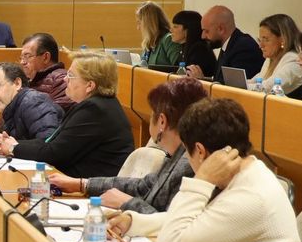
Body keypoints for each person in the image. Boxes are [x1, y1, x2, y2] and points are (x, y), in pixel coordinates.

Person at [110, 99, 302, 242]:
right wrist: (134, 222)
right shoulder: (243, 174)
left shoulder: (251, 195)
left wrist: (202, 179)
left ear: (200, 151)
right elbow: (198, 221)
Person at [57, 75, 208, 214]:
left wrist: (126, 202)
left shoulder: (190, 162)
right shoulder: (178, 154)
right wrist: (83, 184)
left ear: (162, 121)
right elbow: (142, 186)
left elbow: (169, 222)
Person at [0, 53, 132, 178]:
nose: (64, 79)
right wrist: (12, 143)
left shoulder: (95, 110)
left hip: (92, 194)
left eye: (71, 75)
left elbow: (54, 153)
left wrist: (14, 148)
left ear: (90, 85)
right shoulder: (96, 105)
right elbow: (50, 142)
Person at [0, 61, 60, 141]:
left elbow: (46, 143)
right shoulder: (12, 108)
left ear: (17, 83)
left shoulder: (34, 102)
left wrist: (13, 147)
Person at [191, 4, 262, 80]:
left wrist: (201, 81)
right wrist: (202, 79)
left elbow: (235, 86)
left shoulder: (244, 47)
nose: (203, 36)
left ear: (221, 29)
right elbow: (220, 81)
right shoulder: (229, 44)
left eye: (206, 31)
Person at [249, 13, 302, 94]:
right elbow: (256, 81)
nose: (260, 45)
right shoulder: (271, 58)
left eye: (266, 39)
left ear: (283, 40)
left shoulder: (294, 60)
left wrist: (240, 86)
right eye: (260, 40)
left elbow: (266, 87)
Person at [18, 32, 70, 112]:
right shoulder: (28, 81)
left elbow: (54, 117)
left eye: (27, 56)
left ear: (45, 57)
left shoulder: (61, 79)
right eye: (22, 57)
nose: (22, 62)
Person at [170, 10, 217, 79]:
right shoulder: (184, 47)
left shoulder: (199, 50)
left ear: (187, 30)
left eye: (175, 26)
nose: (171, 30)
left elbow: (189, 78)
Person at [137, 1, 182, 68]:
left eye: (139, 23)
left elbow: (179, 70)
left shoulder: (169, 39)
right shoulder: (148, 43)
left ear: (149, 23)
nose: (138, 28)